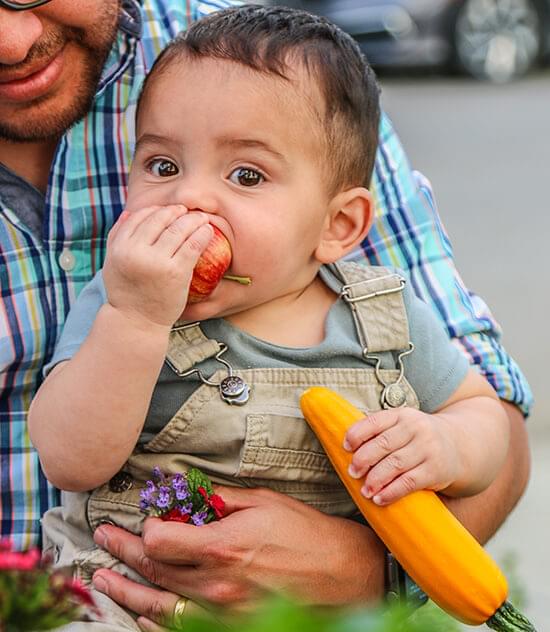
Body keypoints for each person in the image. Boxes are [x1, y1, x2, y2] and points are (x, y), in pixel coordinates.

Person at [0, 0, 531, 627]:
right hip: (119, 597)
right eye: (162, 166)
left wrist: (448, 445)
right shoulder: (125, 299)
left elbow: (485, 414)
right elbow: (68, 458)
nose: (190, 196)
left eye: (246, 175)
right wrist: (136, 320)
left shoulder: (380, 316)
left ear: (338, 225)